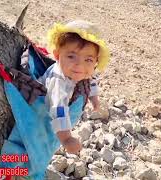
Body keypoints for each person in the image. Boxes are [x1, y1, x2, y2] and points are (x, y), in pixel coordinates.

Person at [37, 20, 110, 154]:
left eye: (88, 60)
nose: (79, 65)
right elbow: (58, 109)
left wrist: (94, 98)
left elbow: (90, 78)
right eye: (71, 56)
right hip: (43, 116)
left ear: (95, 62)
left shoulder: (83, 71)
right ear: (58, 56)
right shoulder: (58, 82)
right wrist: (66, 139)